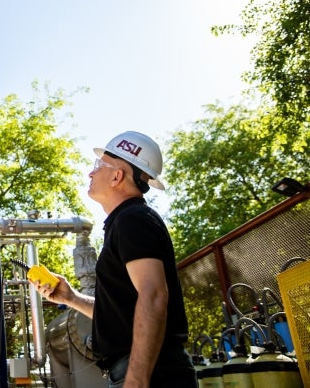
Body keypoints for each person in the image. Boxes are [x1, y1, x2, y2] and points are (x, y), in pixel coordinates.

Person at [30, 131, 196, 388]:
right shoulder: (126, 222)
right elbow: (123, 314)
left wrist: (137, 380)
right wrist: (71, 297)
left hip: (151, 374)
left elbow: (153, 295)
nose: (91, 173)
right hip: (142, 371)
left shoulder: (133, 220)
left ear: (118, 176)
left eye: (99, 166)